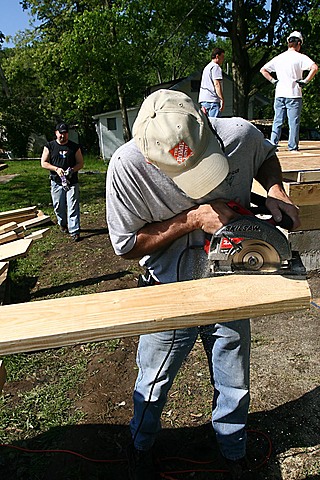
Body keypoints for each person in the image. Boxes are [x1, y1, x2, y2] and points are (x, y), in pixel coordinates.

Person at [106, 89, 300, 480]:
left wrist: (276, 190)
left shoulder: (240, 135)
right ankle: (141, 446)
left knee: (234, 377)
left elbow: (265, 156)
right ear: (147, 154)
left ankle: (232, 451)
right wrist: (193, 219)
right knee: (154, 379)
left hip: (230, 282)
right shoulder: (126, 168)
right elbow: (126, 246)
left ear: (209, 125)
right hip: (168, 288)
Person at [260, 31, 318, 152]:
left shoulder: (279, 58)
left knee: (277, 121)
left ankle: (272, 145)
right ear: (299, 43)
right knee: (293, 123)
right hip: (294, 94)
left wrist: (273, 81)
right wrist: (305, 81)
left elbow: (263, 69)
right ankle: (292, 147)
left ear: (288, 43)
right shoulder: (301, 57)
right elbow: (314, 67)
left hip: (280, 94)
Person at [41, 123, 84, 241]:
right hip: (56, 182)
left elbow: (80, 163)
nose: (62, 136)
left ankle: (74, 230)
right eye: (60, 133)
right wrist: (56, 169)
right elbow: (43, 163)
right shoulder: (49, 146)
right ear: (56, 133)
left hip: (72, 182)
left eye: (65, 133)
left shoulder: (74, 147)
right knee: (59, 206)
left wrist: (72, 170)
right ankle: (63, 223)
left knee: (72, 205)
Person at [198, 47, 225, 117]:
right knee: (214, 125)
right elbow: (217, 84)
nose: (223, 59)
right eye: (222, 57)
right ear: (217, 56)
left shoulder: (207, 67)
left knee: (205, 125)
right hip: (213, 101)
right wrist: (221, 99)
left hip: (204, 100)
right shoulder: (216, 67)